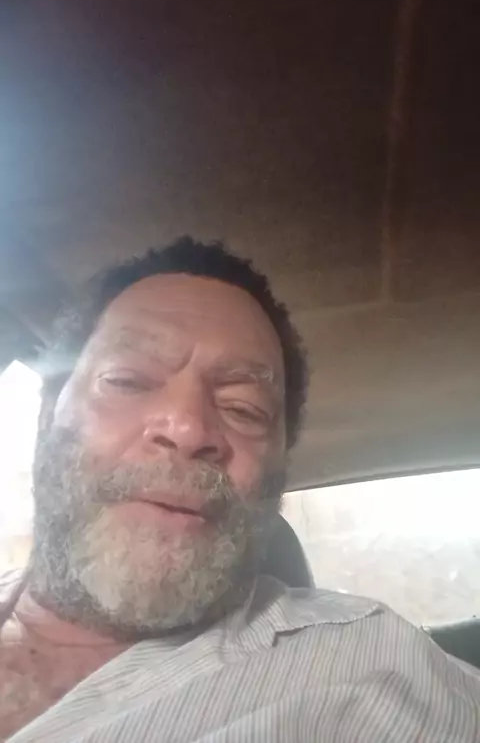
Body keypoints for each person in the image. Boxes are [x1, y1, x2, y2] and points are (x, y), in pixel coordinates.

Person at [0, 237, 478, 742]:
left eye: (243, 409)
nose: (187, 427)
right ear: (47, 414)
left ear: (278, 470)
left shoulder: (376, 674)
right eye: (128, 380)